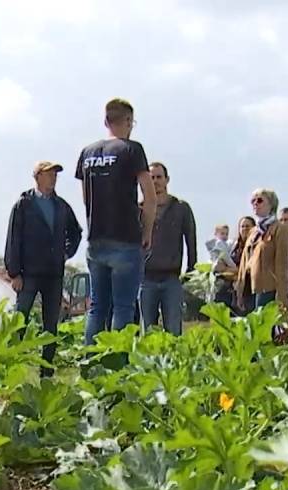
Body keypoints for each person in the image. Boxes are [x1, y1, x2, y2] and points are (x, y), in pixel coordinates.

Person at [76, 98, 157, 343]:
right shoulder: (132, 149)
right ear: (129, 122)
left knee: (97, 307)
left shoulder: (87, 153)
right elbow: (150, 197)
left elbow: (85, 199)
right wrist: (147, 233)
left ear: (105, 121)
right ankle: (118, 367)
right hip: (125, 237)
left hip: (96, 237)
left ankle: (90, 363)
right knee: (123, 307)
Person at [4, 161, 84, 376]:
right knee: (19, 320)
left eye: (55, 175)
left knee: (51, 325)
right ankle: (12, 366)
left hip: (53, 274)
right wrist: (14, 273)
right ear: (37, 176)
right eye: (49, 174)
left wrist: (66, 253)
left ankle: (46, 372)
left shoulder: (61, 206)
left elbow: (76, 232)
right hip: (28, 273)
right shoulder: (24, 204)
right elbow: (13, 239)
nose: (53, 179)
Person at [139, 162, 197, 335]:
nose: (155, 181)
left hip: (172, 278)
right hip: (146, 278)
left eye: (159, 177)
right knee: (147, 331)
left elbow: (191, 240)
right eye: (151, 178)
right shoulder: (139, 209)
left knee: (174, 330)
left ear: (167, 180)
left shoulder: (181, 208)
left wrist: (191, 270)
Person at [240, 188, 288, 311]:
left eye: (259, 200)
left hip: (267, 290)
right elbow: (244, 262)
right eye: (252, 201)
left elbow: (282, 265)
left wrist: (282, 296)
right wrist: (239, 288)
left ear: (271, 205)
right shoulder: (253, 232)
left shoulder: (280, 229)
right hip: (249, 290)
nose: (255, 204)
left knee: (264, 328)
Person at [222, 216, 255, 314]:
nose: (244, 229)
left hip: (251, 289)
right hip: (235, 290)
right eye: (242, 226)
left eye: (247, 226)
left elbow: (249, 267)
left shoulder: (256, 245)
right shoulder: (235, 246)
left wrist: (231, 270)